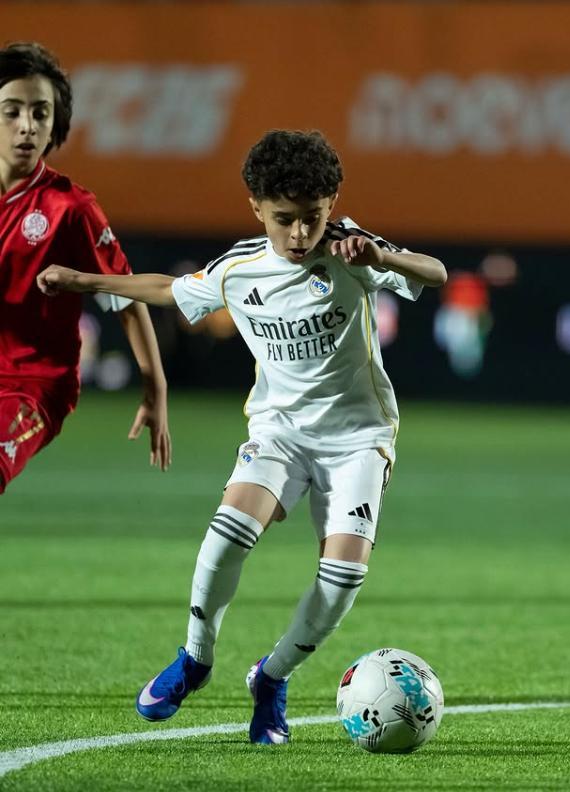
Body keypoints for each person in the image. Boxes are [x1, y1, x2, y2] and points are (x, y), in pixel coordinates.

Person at [38, 129, 447, 744]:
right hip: (280, 432)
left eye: (312, 217)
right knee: (226, 534)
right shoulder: (239, 269)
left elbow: (436, 273)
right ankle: (195, 659)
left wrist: (382, 259)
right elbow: (167, 290)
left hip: (359, 438)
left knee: (342, 580)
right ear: (257, 208)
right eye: (284, 219)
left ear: (331, 205)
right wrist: (84, 281)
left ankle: (272, 677)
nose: (300, 234)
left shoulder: (351, 249)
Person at [0, 42, 171, 495]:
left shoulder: (70, 208)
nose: (27, 126)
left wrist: (155, 388)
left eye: (40, 113)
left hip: (32, 384)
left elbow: (127, 299)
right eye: (12, 111)